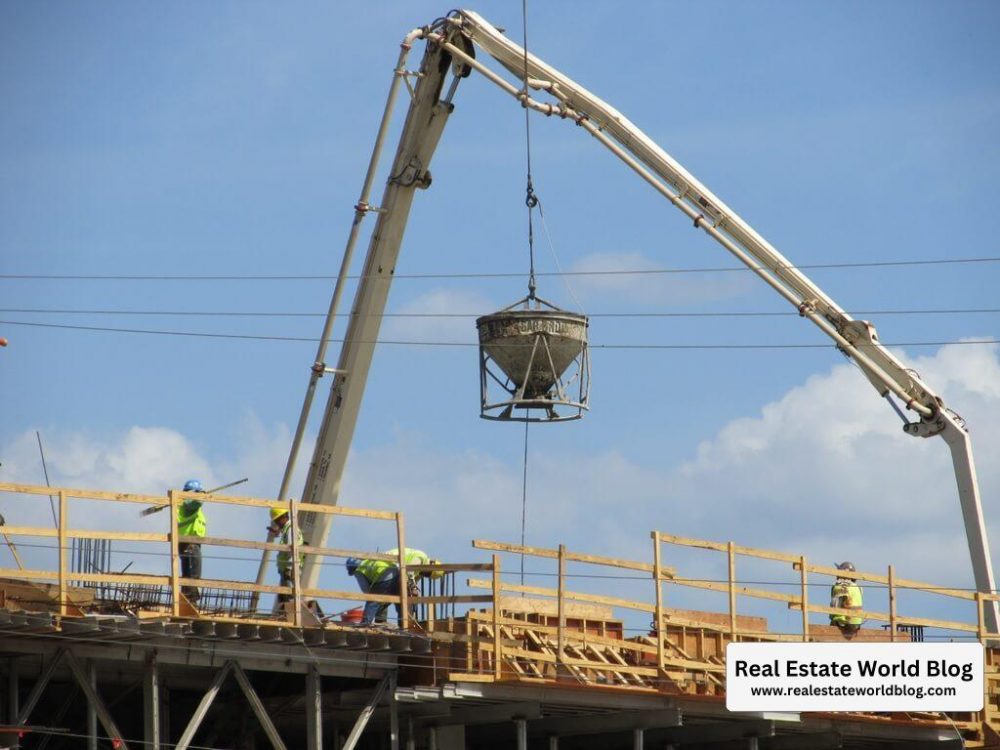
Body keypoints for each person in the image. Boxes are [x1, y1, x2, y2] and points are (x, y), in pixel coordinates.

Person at [347, 548, 442, 626]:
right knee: (376, 597)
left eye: (427, 576)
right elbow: (408, 572)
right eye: (427, 573)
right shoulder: (421, 558)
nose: (425, 575)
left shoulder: (420, 569)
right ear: (429, 566)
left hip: (392, 570)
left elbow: (411, 581)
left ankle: (402, 624)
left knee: (398, 599)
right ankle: (368, 623)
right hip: (387, 567)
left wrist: (412, 591)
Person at [177, 479, 207, 604]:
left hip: (190, 543)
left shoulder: (186, 504)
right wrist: (200, 495)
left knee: (190, 574)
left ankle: (188, 600)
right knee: (193, 575)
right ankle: (190, 601)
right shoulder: (188, 504)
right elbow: (196, 503)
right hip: (189, 543)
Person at [269, 506, 304, 608]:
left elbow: (291, 548)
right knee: (285, 595)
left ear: (283, 517)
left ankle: (296, 611)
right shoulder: (288, 529)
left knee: (290, 595)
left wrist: (289, 568)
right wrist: (277, 532)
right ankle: (290, 612)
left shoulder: (290, 529)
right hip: (287, 568)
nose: (277, 523)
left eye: (277, 520)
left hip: (289, 567)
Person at [830, 561, 864, 638]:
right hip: (857, 623)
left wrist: (834, 619)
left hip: (845, 622)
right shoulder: (858, 588)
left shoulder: (840, 586)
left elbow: (836, 607)